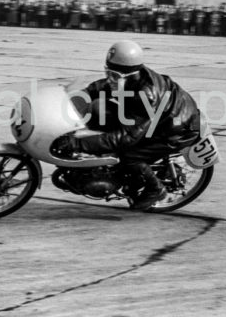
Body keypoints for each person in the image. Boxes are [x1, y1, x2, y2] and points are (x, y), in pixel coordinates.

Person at [52, 40, 201, 211]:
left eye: (114, 76)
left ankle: (156, 189)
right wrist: (79, 95)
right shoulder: (127, 79)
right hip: (162, 115)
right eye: (108, 72)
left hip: (176, 128)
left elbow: (126, 137)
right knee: (98, 110)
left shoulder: (145, 96)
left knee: (129, 153)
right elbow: (104, 86)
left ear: (130, 75)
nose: (110, 79)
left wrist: (77, 143)